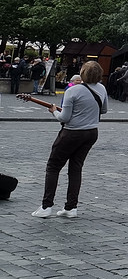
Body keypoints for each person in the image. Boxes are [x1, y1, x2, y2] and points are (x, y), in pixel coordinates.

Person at [32, 60, 108, 220]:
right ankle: (71, 206)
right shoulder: (102, 88)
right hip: (91, 132)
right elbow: (104, 110)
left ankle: (46, 206)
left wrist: (53, 111)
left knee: (53, 167)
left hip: (71, 133)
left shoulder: (73, 91)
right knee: (76, 168)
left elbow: (64, 117)